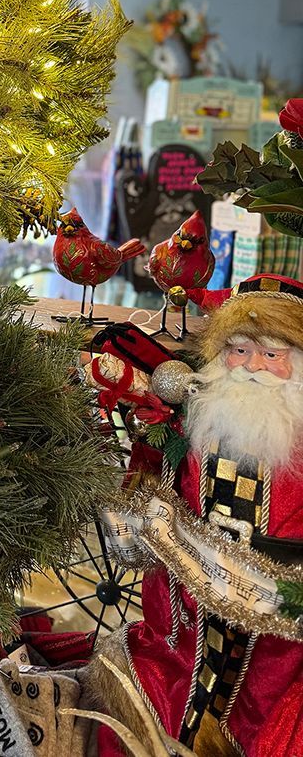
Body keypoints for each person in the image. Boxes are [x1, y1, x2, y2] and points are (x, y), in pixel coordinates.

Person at [95, 274, 303, 757]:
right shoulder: (197, 425)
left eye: (271, 355)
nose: (251, 366)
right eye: (239, 350)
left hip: (276, 648)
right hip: (185, 634)